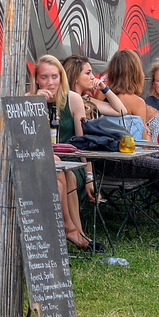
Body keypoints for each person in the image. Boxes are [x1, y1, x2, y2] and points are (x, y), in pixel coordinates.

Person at [35, 55, 95, 250]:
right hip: (39, 163)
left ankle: (72, 231)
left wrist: (89, 176)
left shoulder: (73, 99)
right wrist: (36, 105)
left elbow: (83, 142)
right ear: (36, 79)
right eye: (44, 77)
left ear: (62, 77)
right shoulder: (28, 101)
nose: (50, 82)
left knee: (66, 171)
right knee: (60, 172)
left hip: (72, 160)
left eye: (54, 76)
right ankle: (75, 232)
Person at [105, 48, 153, 136]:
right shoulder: (137, 102)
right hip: (127, 147)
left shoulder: (101, 94)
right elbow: (142, 138)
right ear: (137, 73)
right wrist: (148, 134)